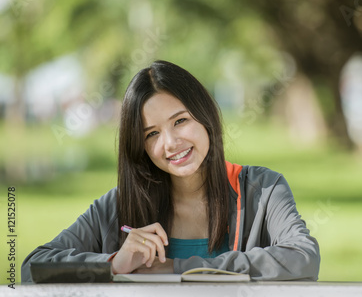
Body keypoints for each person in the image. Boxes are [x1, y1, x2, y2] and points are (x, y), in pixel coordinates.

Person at [21, 60, 320, 282]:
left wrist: (178, 268)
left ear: (205, 118)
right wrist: (112, 262)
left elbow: (304, 258)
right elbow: (33, 268)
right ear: (140, 146)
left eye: (180, 121)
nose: (170, 144)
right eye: (152, 134)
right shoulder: (117, 206)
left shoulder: (263, 190)